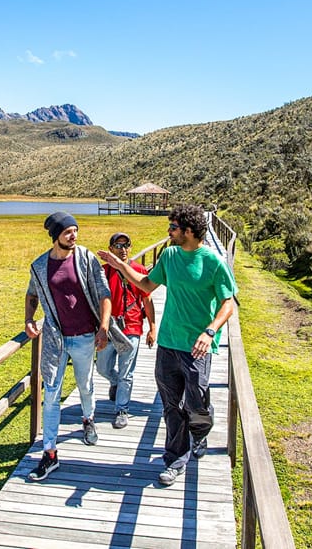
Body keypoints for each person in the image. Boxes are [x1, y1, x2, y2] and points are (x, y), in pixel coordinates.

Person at [98, 204, 237, 487]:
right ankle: (175, 459)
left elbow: (228, 302)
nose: (168, 232)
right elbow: (148, 285)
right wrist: (121, 265)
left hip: (197, 346)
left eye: (172, 228)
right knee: (172, 406)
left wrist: (210, 331)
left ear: (188, 231)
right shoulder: (170, 255)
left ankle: (200, 431)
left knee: (196, 403)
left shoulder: (212, 262)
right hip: (168, 344)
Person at [24, 211, 112, 481]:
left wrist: (104, 327)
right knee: (51, 393)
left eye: (75, 230)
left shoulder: (85, 259)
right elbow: (31, 294)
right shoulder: (40, 266)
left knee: (85, 385)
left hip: (85, 336)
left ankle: (88, 419)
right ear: (55, 236)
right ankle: (49, 453)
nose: (73, 235)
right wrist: (29, 320)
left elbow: (104, 293)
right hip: (54, 339)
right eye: (67, 232)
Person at [97, 232, 157, 429]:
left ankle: (122, 409)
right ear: (111, 249)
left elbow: (147, 300)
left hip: (131, 326)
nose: (122, 250)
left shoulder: (138, 270)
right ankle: (114, 383)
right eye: (118, 245)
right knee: (102, 368)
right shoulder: (103, 271)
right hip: (110, 327)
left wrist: (152, 327)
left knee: (126, 372)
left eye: (126, 246)